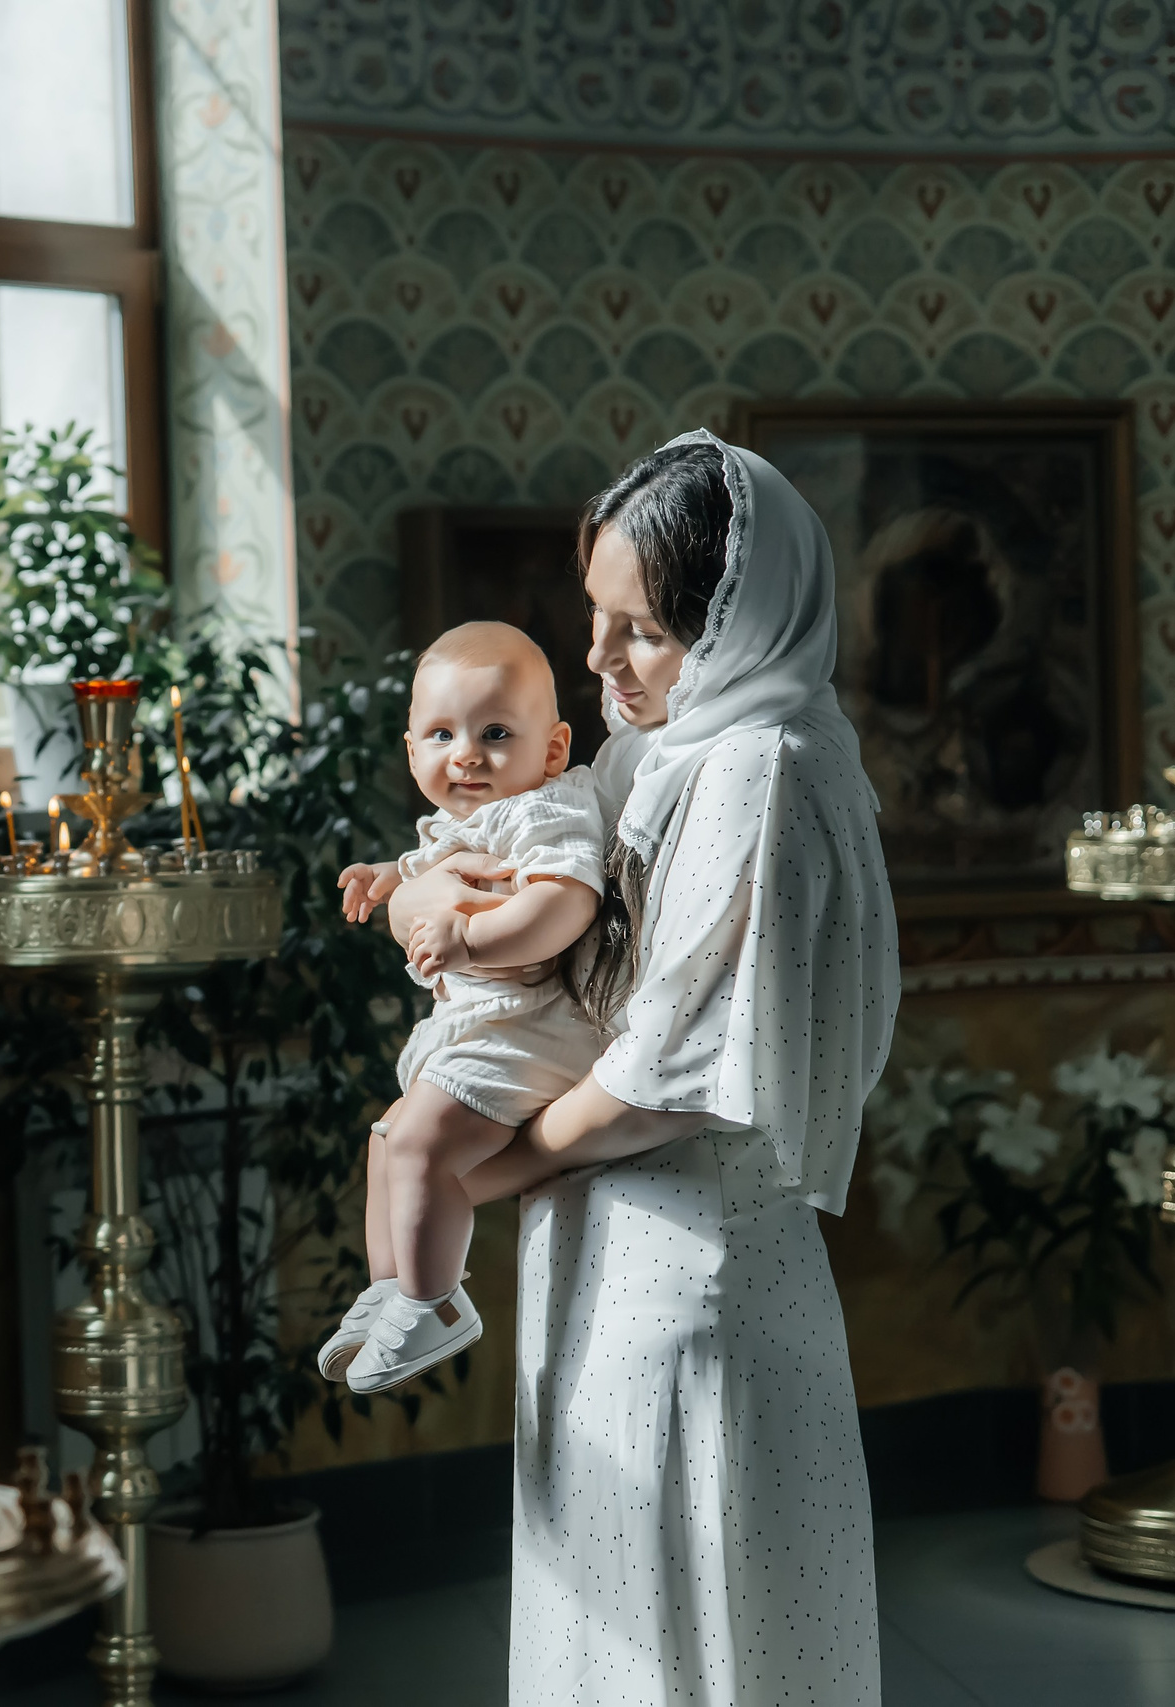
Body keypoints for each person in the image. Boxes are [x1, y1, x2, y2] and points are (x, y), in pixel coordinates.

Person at [355, 430, 898, 1704]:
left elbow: (666, 1070)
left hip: (690, 1263)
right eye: (593, 615)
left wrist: (486, 1170)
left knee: (689, 1637)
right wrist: (418, 893)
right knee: (610, 1630)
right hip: (608, 1234)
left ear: (737, 621)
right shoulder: (655, 746)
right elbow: (503, 882)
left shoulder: (760, 767)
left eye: (641, 630)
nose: (598, 659)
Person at [317, 621, 609, 1396]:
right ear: (412, 748)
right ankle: (392, 1289)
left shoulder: (544, 811)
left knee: (420, 1145)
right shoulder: (462, 821)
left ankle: (435, 1301)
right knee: (389, 1140)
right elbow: (433, 865)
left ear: (552, 748)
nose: (467, 754)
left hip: (531, 1028)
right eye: (441, 734)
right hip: (481, 1028)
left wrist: (470, 939)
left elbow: (564, 904)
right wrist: (388, 877)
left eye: (495, 733)